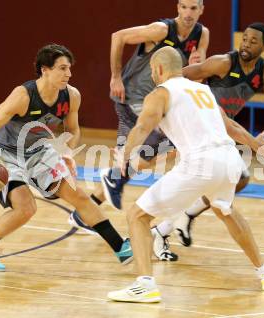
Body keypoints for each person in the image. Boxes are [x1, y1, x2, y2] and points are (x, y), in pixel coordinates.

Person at [108, 46, 264, 303]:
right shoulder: (203, 90)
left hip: (201, 162)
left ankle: (145, 284)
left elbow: (144, 125)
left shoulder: (160, 93)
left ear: (158, 69)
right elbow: (230, 126)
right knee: (225, 210)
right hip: (230, 159)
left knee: (137, 215)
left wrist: (124, 152)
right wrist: (257, 146)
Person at [0, 44, 132, 272]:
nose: (69, 74)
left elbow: (72, 130)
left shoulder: (71, 96)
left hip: (40, 151)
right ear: (45, 69)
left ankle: (121, 248)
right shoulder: (23, 96)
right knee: (25, 208)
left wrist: (67, 153)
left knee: (79, 196)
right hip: (5, 153)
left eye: (69, 68)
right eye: (62, 68)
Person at [69, 0, 210, 262]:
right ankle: (114, 178)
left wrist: (195, 68)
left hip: (158, 99)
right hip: (132, 95)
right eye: (185, 8)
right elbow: (118, 37)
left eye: (194, 8)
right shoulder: (160, 30)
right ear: (177, 8)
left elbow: (194, 73)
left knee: (141, 156)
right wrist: (115, 76)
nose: (189, 14)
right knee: (160, 139)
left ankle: (84, 212)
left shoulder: (202, 34)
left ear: (202, 10)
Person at [152, 22, 264, 249]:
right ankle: (161, 227)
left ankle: (182, 218)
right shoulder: (223, 62)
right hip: (200, 125)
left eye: (253, 42)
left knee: (237, 180)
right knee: (200, 178)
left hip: (221, 129)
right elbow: (178, 76)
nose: (246, 44)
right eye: (244, 38)